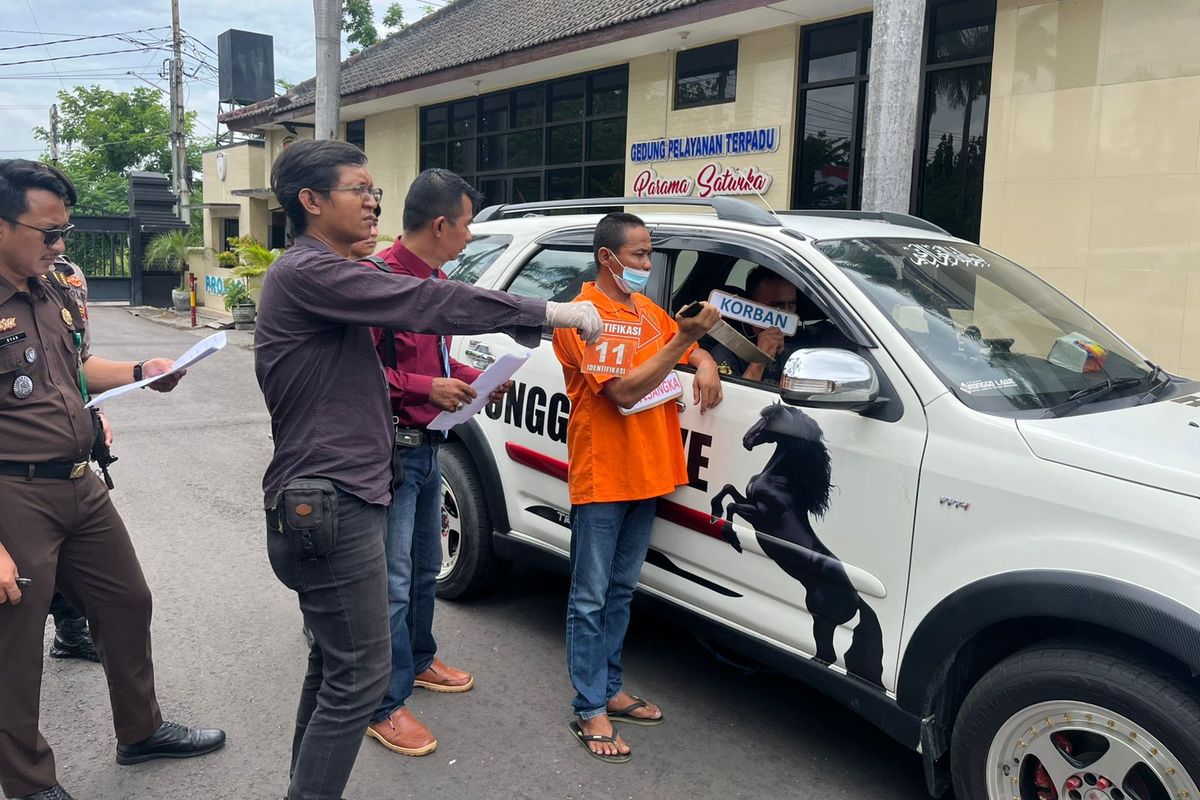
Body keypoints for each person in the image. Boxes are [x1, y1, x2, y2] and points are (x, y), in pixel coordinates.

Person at [255, 138, 601, 800]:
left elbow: (416, 318)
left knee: (335, 665)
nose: (372, 202)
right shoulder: (310, 272)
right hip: (331, 496)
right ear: (311, 200)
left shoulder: (334, 275)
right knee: (359, 676)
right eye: (358, 189)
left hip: (348, 489)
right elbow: (427, 304)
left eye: (374, 190)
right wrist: (549, 311)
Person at [0, 159, 224, 800]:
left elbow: (75, 366)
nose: (60, 245)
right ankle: (27, 782)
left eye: (65, 231)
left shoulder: (51, 288)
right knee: (14, 646)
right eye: (48, 232)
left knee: (127, 602)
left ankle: (141, 731)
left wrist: (140, 372)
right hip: (13, 494)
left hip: (80, 481)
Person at [552, 212, 723, 763]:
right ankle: (589, 707)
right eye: (640, 255)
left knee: (622, 591)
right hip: (604, 474)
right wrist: (687, 341)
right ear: (608, 258)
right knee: (590, 597)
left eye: (649, 254)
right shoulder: (583, 317)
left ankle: (610, 689)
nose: (648, 264)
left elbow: (683, 346)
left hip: (649, 474)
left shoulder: (644, 310)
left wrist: (705, 359)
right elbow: (623, 391)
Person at [360, 169, 507, 758]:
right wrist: (428, 388)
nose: (470, 236)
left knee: (425, 567)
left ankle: (419, 660)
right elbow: (361, 375)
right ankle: (382, 703)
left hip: (430, 447)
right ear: (441, 225)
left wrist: (476, 379)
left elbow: (438, 361)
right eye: (467, 224)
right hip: (392, 449)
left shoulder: (437, 283)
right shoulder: (377, 284)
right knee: (393, 581)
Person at [710, 266, 850, 385]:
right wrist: (760, 359)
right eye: (777, 306)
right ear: (751, 304)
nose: (786, 312)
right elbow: (736, 403)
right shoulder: (729, 350)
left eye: (791, 304)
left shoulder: (812, 339)